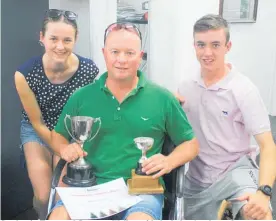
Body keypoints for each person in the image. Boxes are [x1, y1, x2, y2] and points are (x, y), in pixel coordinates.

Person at [48, 22, 199, 220]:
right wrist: (63, 149)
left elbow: (191, 144)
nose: (121, 60)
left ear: (140, 55)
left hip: (141, 193)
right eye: (115, 52)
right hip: (89, 187)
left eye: (129, 53)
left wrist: (169, 161)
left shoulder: (163, 98)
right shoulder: (81, 97)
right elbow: (57, 135)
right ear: (104, 53)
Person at [177, 14, 276, 220]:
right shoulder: (186, 88)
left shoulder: (243, 90)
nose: (207, 52)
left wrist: (264, 192)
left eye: (215, 45)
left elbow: (268, 146)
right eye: (201, 45)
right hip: (197, 178)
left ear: (227, 47)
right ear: (194, 46)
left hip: (235, 172)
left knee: (259, 215)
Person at [14, 9, 99, 219]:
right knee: (44, 196)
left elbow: (106, 94)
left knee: (62, 194)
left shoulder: (89, 70)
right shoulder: (24, 74)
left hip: (70, 131)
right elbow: (37, 122)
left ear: (75, 39)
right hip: (38, 129)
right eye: (53, 39)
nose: (60, 46)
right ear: (42, 38)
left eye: (67, 40)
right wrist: (59, 147)